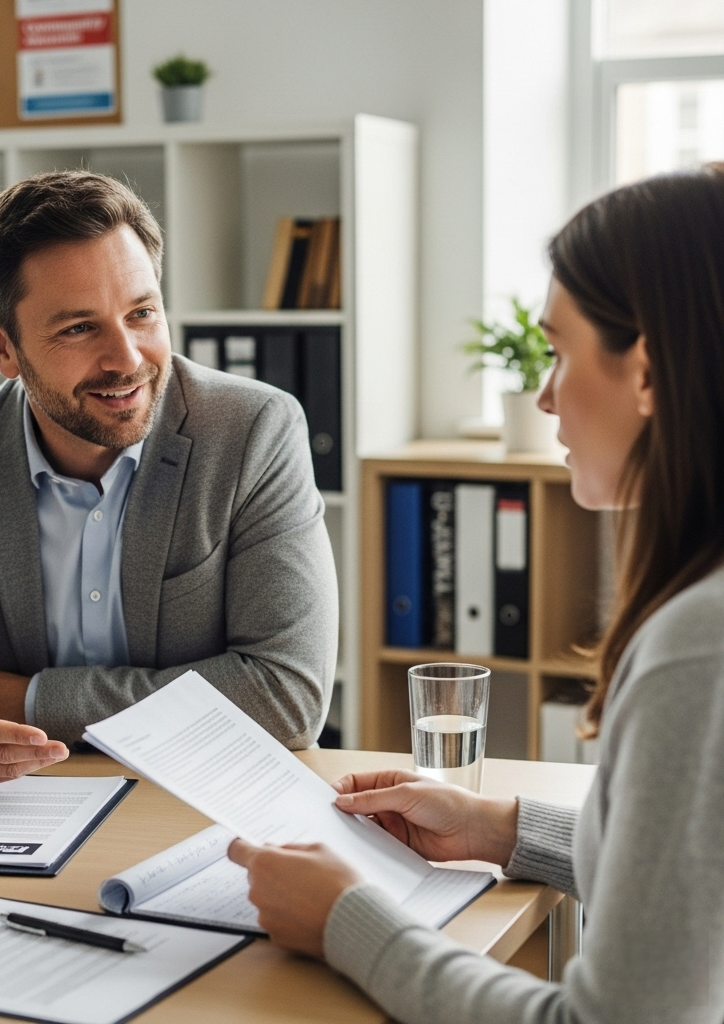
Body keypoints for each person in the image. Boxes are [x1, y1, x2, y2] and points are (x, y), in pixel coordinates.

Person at [229, 164, 724, 1022]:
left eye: (559, 353)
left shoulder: (700, 645)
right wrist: (498, 829)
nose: (542, 395)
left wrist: (348, 920)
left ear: (645, 371)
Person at [0, 170, 338, 786]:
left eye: (142, 313)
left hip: (200, 802)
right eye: (78, 328)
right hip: (11, 807)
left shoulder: (253, 431)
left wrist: (30, 701)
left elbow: (286, 695)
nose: (127, 359)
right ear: (2, 347)